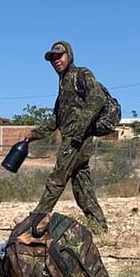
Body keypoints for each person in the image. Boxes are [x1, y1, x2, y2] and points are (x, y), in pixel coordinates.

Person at [23, 40, 110, 232]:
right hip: (73, 138)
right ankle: (99, 225)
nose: (56, 60)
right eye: (52, 58)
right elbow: (56, 119)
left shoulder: (81, 74)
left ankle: (35, 221)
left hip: (76, 139)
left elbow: (98, 97)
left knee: (57, 178)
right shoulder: (63, 84)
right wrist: (33, 135)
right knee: (81, 185)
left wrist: (80, 128)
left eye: (59, 56)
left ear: (69, 55)